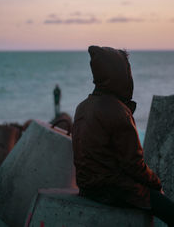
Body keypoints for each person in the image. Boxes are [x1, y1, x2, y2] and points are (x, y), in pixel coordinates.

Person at [72, 45, 174, 226]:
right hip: (112, 190)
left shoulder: (83, 106)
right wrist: (157, 185)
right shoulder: (118, 111)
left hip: (87, 187)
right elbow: (134, 165)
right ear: (121, 74)